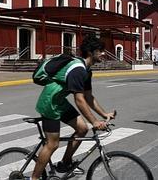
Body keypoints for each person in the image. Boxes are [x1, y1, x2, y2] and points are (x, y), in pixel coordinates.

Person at [31, 34, 116, 180]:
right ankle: (34, 178)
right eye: (100, 50)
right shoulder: (78, 70)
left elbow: (88, 96)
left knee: (82, 129)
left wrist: (104, 114)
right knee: (52, 144)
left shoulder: (87, 71)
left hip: (60, 102)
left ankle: (65, 163)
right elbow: (79, 100)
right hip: (49, 103)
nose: (103, 53)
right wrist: (94, 122)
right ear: (90, 52)